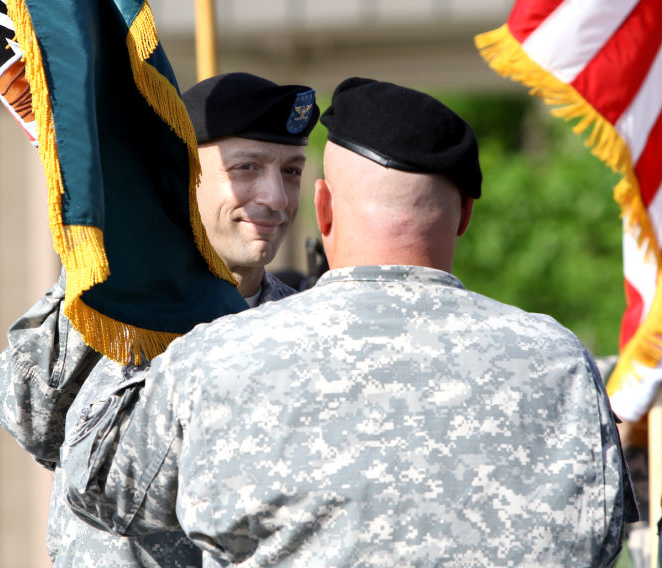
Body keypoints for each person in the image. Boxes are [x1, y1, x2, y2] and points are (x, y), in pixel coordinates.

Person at [61, 77, 638, 567]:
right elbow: (606, 535)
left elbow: (100, 485)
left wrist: (145, 284)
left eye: (288, 172)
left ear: (324, 207)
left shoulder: (218, 358)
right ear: (463, 215)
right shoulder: (561, 362)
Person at [0, 72, 319, 567]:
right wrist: (104, 267)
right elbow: (32, 420)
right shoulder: (117, 307)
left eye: (291, 171)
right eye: (247, 168)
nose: (275, 198)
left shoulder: (304, 335)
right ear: (180, 175)